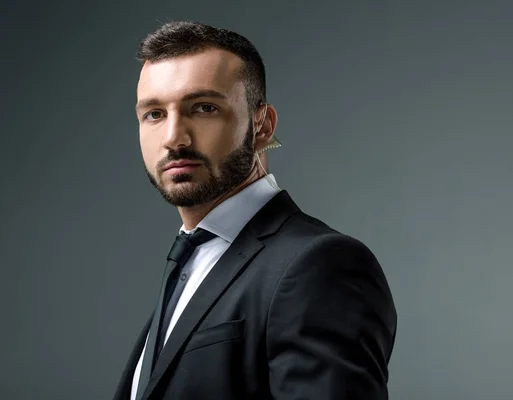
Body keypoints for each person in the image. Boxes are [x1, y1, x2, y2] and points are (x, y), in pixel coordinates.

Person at [112, 21, 397, 400]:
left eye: (204, 108)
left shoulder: (319, 264)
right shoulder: (189, 260)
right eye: (154, 114)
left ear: (262, 126)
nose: (173, 138)